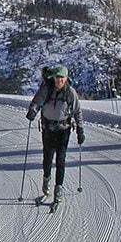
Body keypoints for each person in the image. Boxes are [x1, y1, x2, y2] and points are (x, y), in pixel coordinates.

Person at [25, 65, 84, 203]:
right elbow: (36, 102)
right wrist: (32, 111)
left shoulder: (70, 92)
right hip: (48, 128)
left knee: (61, 159)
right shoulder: (46, 89)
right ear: (54, 77)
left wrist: (80, 129)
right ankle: (47, 179)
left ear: (66, 78)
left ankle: (58, 187)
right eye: (58, 77)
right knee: (47, 156)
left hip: (64, 129)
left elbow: (77, 111)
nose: (59, 80)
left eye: (62, 78)